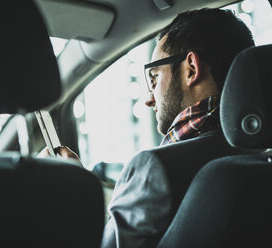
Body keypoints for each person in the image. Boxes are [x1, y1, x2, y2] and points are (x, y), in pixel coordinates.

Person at [53, 8, 255, 248]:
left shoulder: (153, 168)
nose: (149, 99)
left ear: (191, 68)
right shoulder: (259, 155)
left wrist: (71, 190)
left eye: (154, 78)